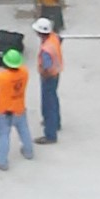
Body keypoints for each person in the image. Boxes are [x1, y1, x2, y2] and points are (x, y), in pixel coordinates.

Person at [0, 46, 33, 168]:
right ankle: (28, 152)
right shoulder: (24, 73)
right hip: (19, 107)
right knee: (24, 131)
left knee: (4, 135)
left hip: (5, 111)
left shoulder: (2, 77)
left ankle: (2, 161)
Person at [35, 15, 64, 144]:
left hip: (49, 76)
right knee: (54, 99)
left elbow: (46, 66)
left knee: (48, 104)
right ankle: (56, 123)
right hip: (56, 73)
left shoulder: (46, 49)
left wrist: (44, 74)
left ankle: (50, 134)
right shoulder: (54, 38)